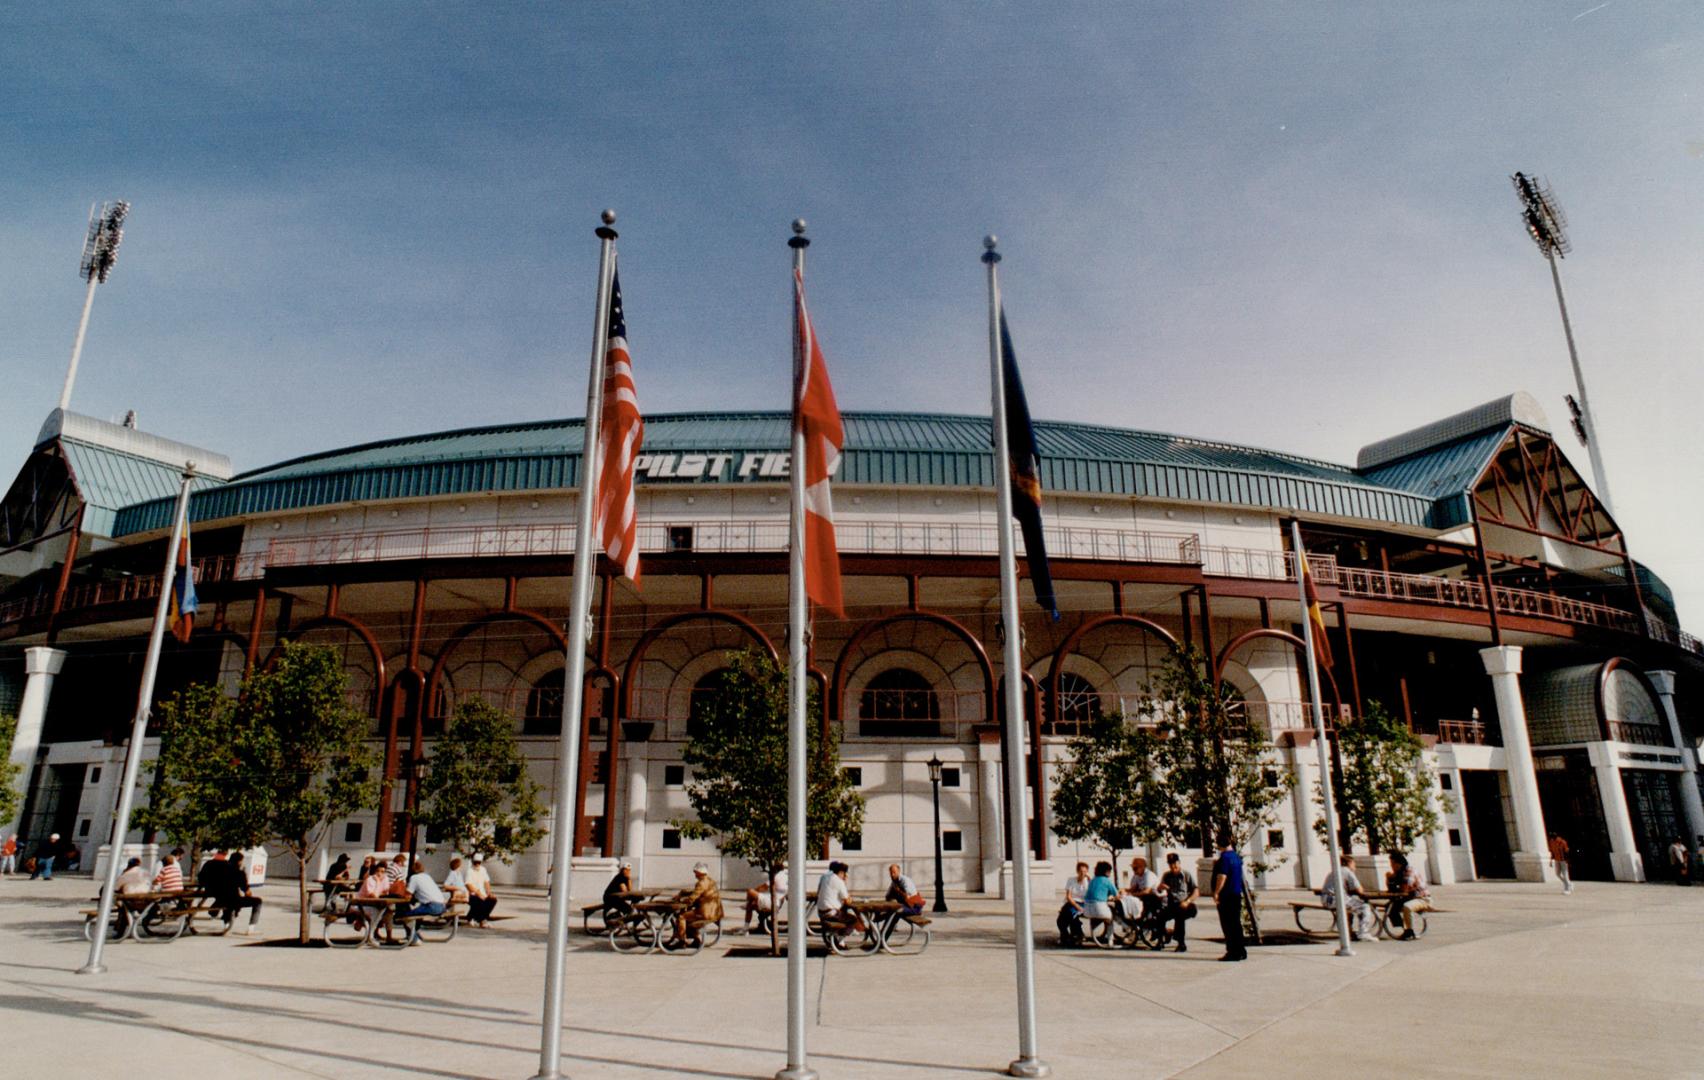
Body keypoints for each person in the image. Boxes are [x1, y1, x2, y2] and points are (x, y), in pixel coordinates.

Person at [198, 848, 264, 934]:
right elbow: (247, 892)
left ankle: (226, 924)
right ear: (239, 861)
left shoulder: (215, 867)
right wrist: (247, 894)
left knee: (226, 899)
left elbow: (201, 879)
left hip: (218, 896)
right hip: (231, 899)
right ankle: (251, 928)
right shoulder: (239, 873)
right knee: (258, 901)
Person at [1211, 828, 1247, 961]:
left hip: (1226, 895)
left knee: (1228, 925)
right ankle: (1241, 949)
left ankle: (1232, 951)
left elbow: (1222, 876)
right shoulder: (1236, 857)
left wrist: (1216, 892)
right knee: (1236, 924)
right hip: (1236, 894)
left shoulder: (1224, 858)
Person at [670, 862, 723, 948]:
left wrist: (681, 900)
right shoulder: (710, 881)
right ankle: (696, 939)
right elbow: (698, 892)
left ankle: (682, 940)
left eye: (695, 872)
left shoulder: (701, 883)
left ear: (699, 872)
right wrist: (685, 893)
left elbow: (692, 899)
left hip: (706, 913)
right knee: (689, 916)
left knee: (682, 917)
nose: (694, 874)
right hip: (715, 911)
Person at [1319, 853, 1370, 940]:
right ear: (1349, 863)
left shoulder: (1334, 871)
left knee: (1351, 905)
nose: (1355, 867)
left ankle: (1348, 932)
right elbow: (1360, 890)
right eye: (1354, 864)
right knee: (1364, 907)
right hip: (1336, 899)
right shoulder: (1347, 871)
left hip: (1326, 899)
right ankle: (1363, 932)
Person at [1385, 851, 1433, 941]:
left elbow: (1404, 889)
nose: (1392, 866)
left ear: (1399, 863)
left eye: (1393, 864)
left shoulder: (1409, 871)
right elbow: (1392, 888)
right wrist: (1388, 879)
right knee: (1390, 906)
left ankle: (1409, 931)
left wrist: (1393, 881)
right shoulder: (1399, 872)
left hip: (1422, 898)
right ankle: (1403, 927)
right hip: (1409, 897)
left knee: (1407, 907)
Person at [1157, 852, 1198, 953]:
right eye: (1170, 864)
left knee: (1180, 915)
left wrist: (1187, 901)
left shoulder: (1186, 875)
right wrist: (1160, 888)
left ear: (1179, 862)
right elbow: (1159, 890)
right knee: (1159, 915)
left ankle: (1181, 943)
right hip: (1172, 904)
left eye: (1175, 863)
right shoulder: (1167, 875)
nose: (1173, 866)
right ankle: (1162, 938)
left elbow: (1196, 891)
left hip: (1186, 904)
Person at [1080, 861, 1119, 946]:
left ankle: (1099, 937)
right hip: (1099, 908)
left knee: (1105, 914)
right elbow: (1116, 894)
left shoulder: (1093, 880)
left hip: (1087, 909)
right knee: (1110, 918)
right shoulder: (1107, 881)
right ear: (1106, 871)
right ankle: (1110, 941)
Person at [815, 860, 856, 931]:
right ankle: (841, 938)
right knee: (853, 919)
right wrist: (844, 882)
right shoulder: (839, 881)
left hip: (820, 912)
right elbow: (847, 901)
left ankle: (839, 936)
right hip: (831, 913)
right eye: (845, 874)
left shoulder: (824, 877)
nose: (845, 876)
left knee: (843, 911)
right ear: (841, 872)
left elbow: (818, 892)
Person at [744, 865, 787, 932]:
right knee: (750, 906)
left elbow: (763, 887)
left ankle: (745, 929)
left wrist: (754, 892)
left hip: (772, 903)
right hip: (777, 903)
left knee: (750, 892)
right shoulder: (785, 875)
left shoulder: (776, 876)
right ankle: (746, 929)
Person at [1120, 855, 1161, 923]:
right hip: (1145, 897)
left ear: (1142, 867)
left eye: (1135, 868)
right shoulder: (1136, 876)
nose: (1133, 870)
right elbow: (1133, 889)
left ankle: (1144, 920)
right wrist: (1123, 890)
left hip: (1155, 898)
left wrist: (1131, 894)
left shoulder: (1149, 875)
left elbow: (1146, 891)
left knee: (1146, 898)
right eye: (1133, 868)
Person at [1057, 862, 1091, 945]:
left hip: (1082, 903)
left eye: (1085, 871)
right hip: (1071, 902)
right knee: (1061, 919)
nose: (1083, 873)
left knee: (1070, 915)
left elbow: (1091, 894)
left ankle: (1076, 934)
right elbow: (1068, 896)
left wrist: (1090, 880)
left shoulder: (1088, 882)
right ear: (1077, 871)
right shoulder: (1071, 880)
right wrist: (1076, 906)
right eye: (1081, 871)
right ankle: (1068, 934)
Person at [464, 852, 497, 925]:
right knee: (480, 901)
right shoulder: (469, 871)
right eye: (476, 862)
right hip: (472, 895)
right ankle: (482, 920)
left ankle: (476, 917)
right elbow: (468, 885)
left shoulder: (483, 870)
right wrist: (478, 894)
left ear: (481, 862)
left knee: (493, 900)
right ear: (473, 862)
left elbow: (486, 881)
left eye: (478, 862)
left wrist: (489, 893)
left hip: (482, 893)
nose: (477, 864)